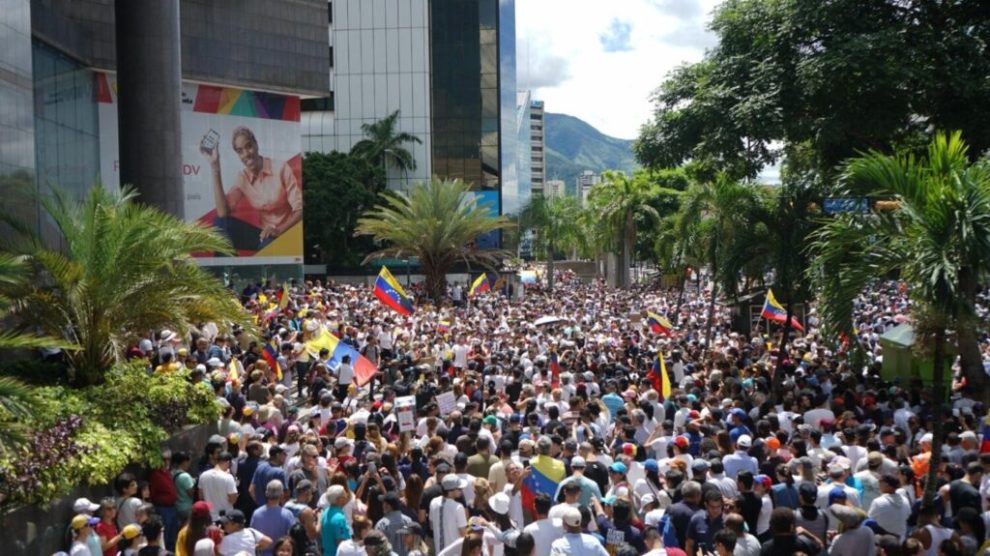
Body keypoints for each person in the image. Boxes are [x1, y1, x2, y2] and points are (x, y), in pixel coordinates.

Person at [201, 125, 302, 251]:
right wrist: (215, 166)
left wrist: (279, 230)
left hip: (285, 233)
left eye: (248, 146)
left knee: (268, 242)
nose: (246, 154)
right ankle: (228, 269)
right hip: (263, 234)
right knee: (220, 224)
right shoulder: (242, 178)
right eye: (240, 151)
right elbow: (222, 213)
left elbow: (300, 210)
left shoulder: (281, 168)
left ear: (256, 144)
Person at [250, 481, 296, 556]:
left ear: (266, 494)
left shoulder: (256, 514)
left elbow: (253, 537)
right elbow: (292, 539)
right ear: (281, 495)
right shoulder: (288, 515)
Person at [430, 474, 468, 554]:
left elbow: (431, 526)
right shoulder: (458, 507)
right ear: (451, 490)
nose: (461, 490)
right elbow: (463, 534)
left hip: (439, 552)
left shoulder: (433, 502)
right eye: (459, 489)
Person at [198, 452, 238, 521]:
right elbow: (232, 500)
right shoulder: (228, 477)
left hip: (209, 516)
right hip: (225, 517)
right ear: (228, 462)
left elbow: (201, 496)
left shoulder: (203, 475)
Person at [685, 489, 725, 556]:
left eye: (718, 507)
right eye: (712, 507)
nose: (715, 510)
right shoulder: (696, 519)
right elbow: (689, 545)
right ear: (706, 505)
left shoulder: (727, 521)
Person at [320, 485, 352, 556]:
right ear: (338, 499)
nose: (346, 496)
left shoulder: (326, 512)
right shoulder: (339, 518)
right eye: (344, 494)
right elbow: (341, 544)